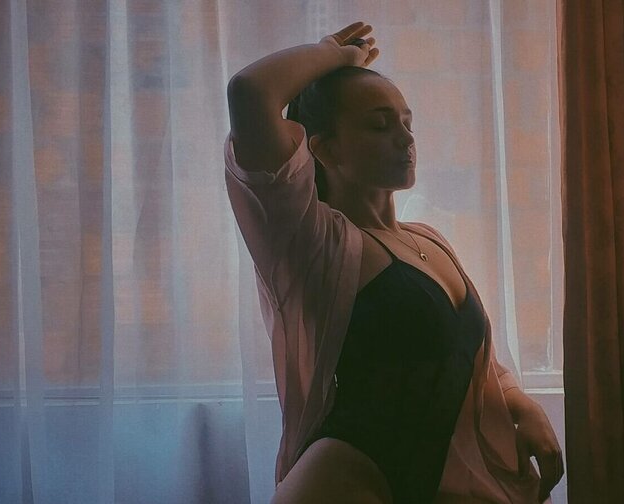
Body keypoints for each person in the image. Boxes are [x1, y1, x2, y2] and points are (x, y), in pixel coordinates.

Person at [224, 21, 563, 504]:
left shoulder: (428, 239)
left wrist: (517, 402)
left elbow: (466, 352)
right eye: (380, 125)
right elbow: (250, 92)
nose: (405, 139)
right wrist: (332, 54)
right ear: (324, 148)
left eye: (407, 123)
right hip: (347, 484)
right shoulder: (311, 244)